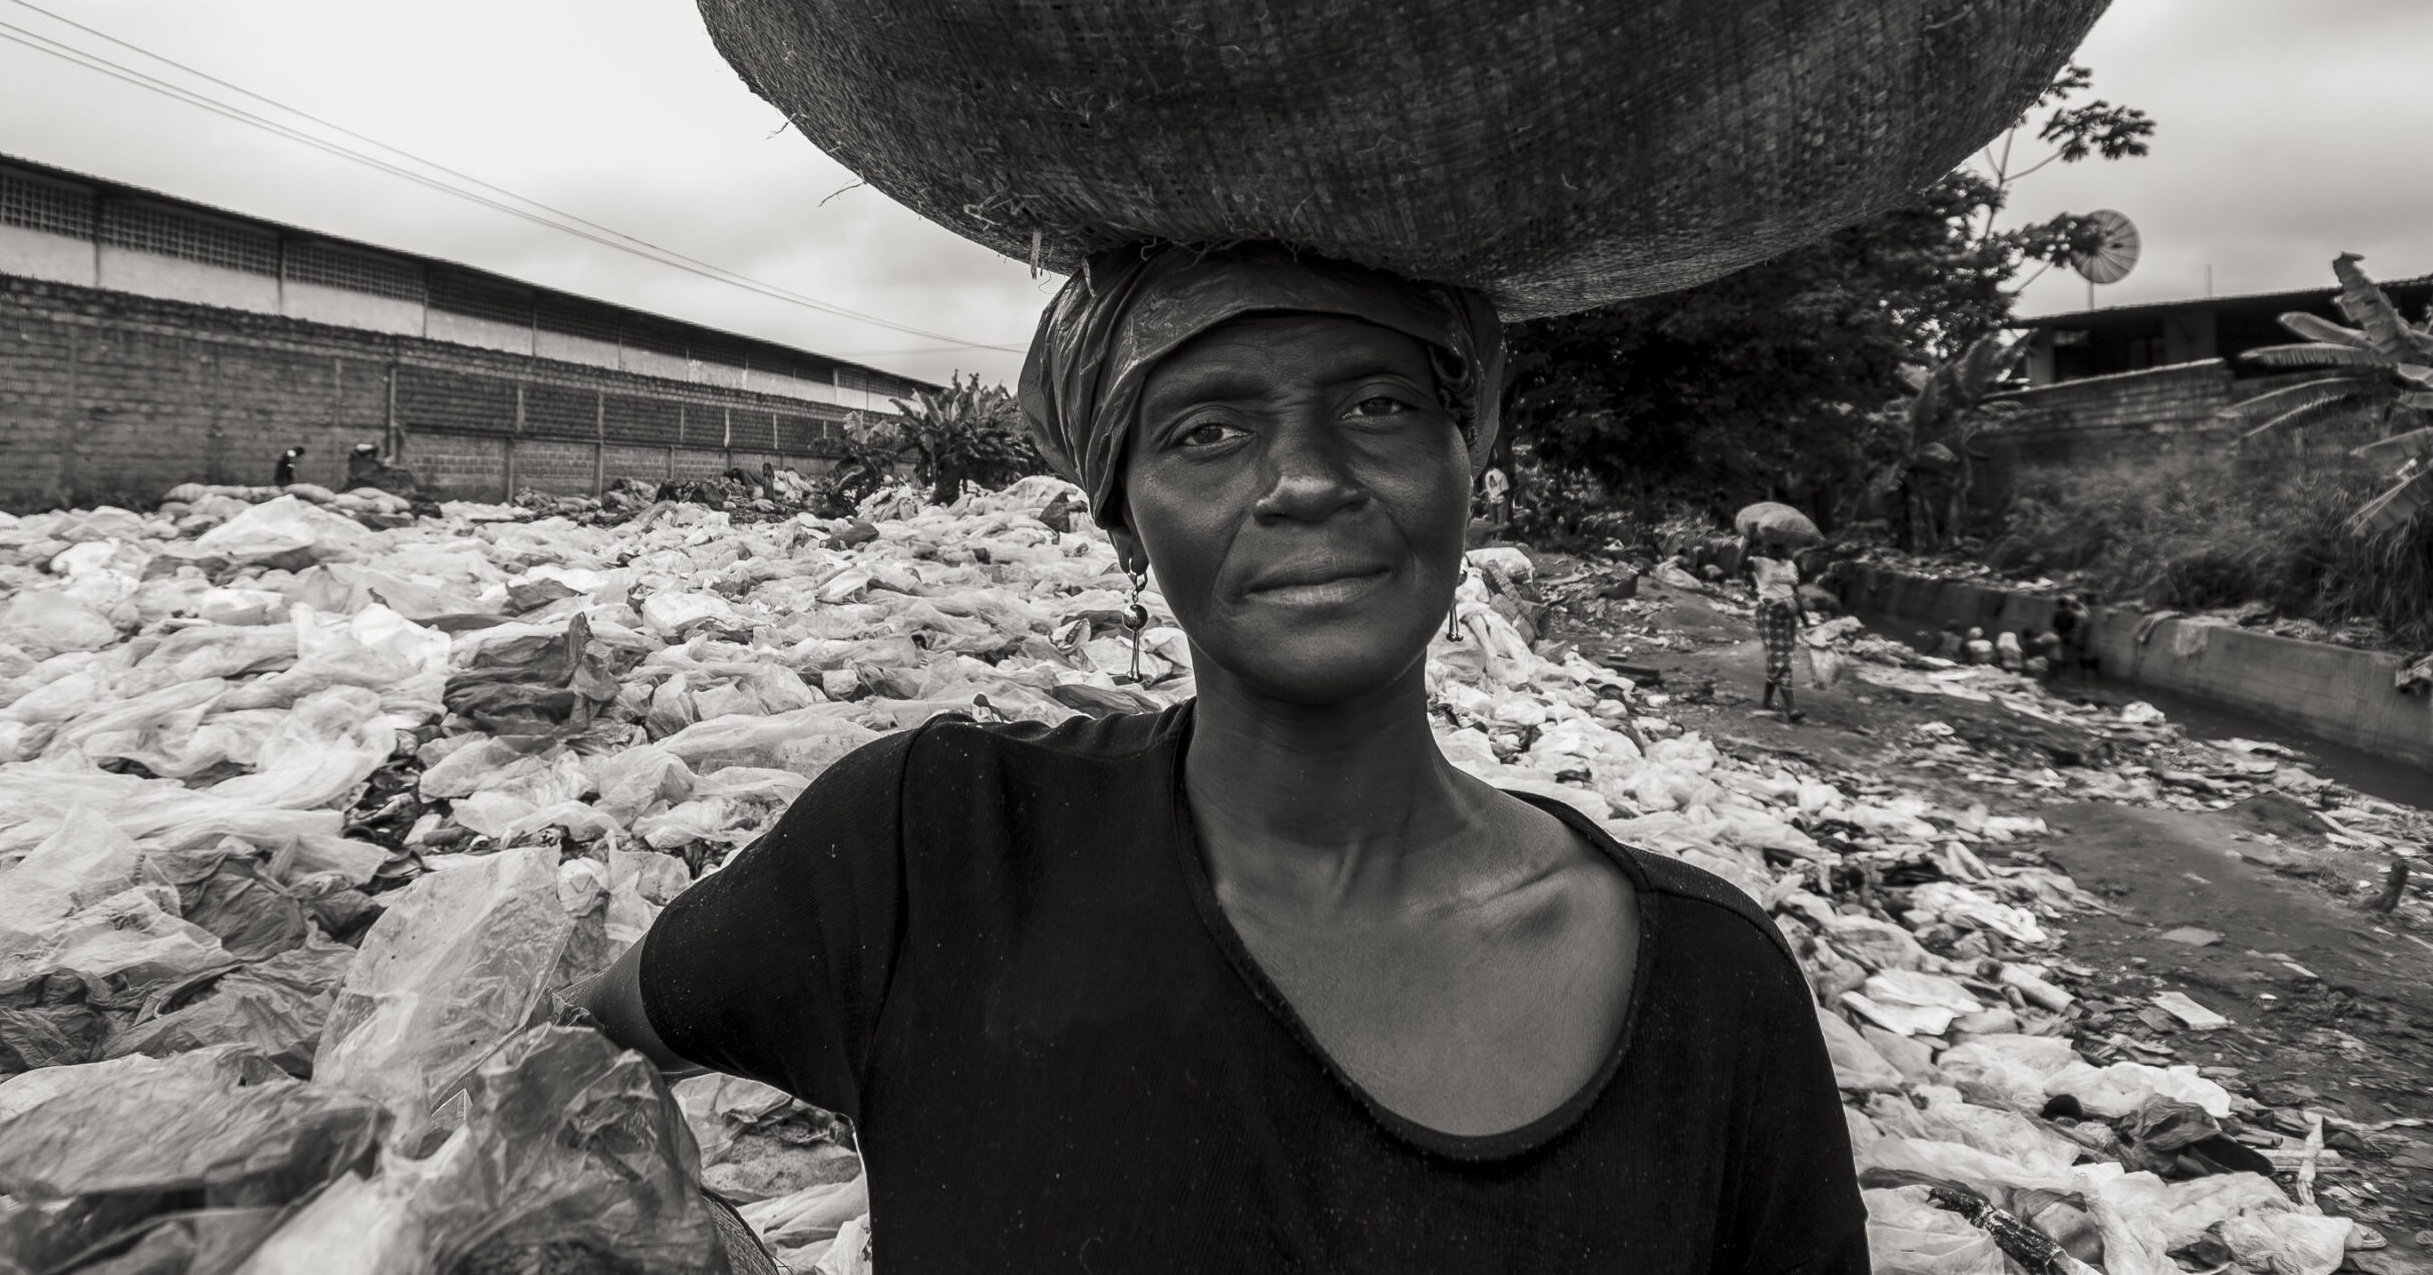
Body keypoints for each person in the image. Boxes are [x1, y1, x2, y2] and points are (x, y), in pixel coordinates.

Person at [581, 242, 1865, 1273]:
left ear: (1464, 461)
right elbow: (557, 1050)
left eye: (1377, 405)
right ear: (1123, 518)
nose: (1304, 480)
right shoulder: (940, 849)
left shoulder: (1711, 988)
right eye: (1205, 430)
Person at [1746, 541, 1808, 722]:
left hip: (1789, 617)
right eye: (1775, 546)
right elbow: (1739, 564)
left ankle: (1766, 701)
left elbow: (1795, 593)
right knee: (1780, 660)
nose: (1780, 549)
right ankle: (1791, 708)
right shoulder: (1759, 562)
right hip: (1770, 616)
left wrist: (1806, 620)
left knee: (1780, 659)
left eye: (1782, 546)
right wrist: (1747, 540)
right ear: (1767, 546)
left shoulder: (1790, 565)